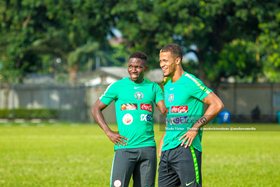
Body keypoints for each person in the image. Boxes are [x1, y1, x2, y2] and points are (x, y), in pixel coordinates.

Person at [92, 51, 166, 187]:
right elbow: (96, 108)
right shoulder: (117, 86)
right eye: (131, 66)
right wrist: (108, 132)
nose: (134, 69)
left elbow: (165, 111)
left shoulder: (153, 87)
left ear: (145, 68)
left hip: (147, 149)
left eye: (138, 67)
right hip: (124, 148)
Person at [158, 43, 224, 187]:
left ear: (177, 60)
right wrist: (163, 141)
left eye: (165, 60)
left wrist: (195, 127)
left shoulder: (191, 82)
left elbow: (217, 104)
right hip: (166, 151)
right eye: (160, 61)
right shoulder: (167, 85)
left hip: (186, 148)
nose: (162, 64)